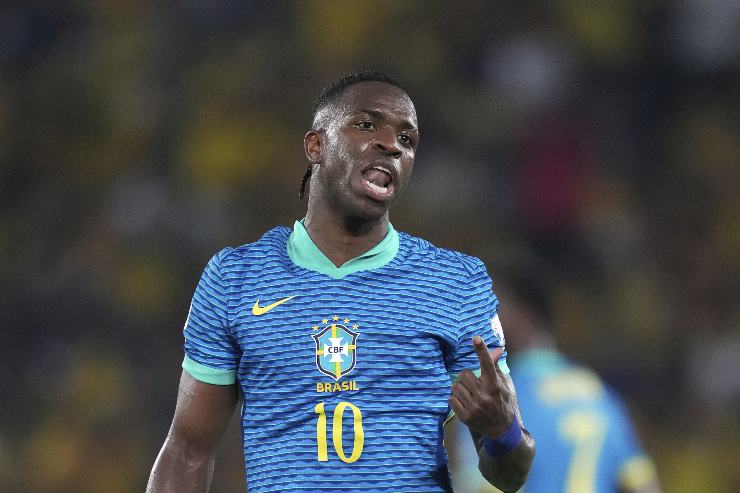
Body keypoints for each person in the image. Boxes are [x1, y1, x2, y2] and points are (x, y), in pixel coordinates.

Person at [146, 71, 535, 493]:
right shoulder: (236, 278)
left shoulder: (455, 282)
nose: (392, 144)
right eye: (367, 124)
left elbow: (511, 475)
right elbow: (188, 451)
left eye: (407, 139)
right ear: (316, 145)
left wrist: (502, 432)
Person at [446, 268, 661, 493]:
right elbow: (645, 486)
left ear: (525, 316)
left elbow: (480, 488)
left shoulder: (492, 400)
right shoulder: (601, 395)